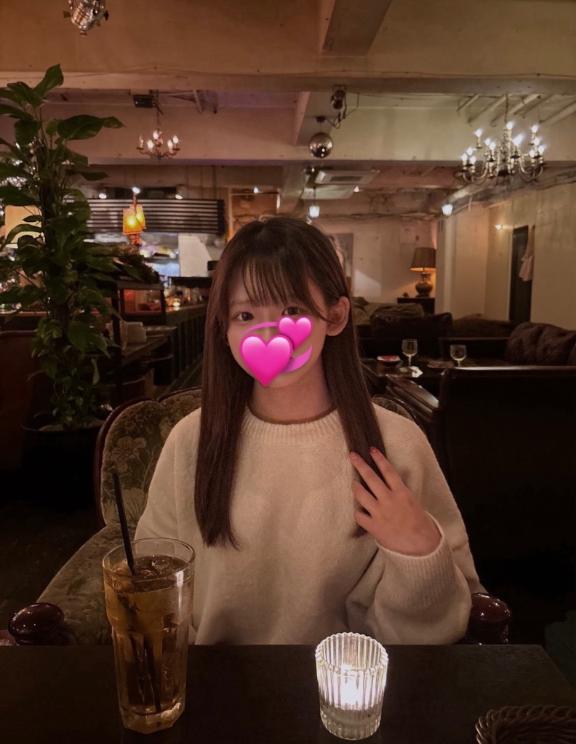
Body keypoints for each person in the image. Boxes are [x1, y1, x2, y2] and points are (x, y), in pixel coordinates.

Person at [135, 216, 484, 645]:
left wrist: (419, 550)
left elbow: (452, 617)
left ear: (335, 316)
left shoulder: (396, 443)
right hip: (214, 679)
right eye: (245, 314)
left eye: (292, 310)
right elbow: (153, 580)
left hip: (349, 679)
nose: (269, 334)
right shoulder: (191, 441)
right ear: (224, 329)